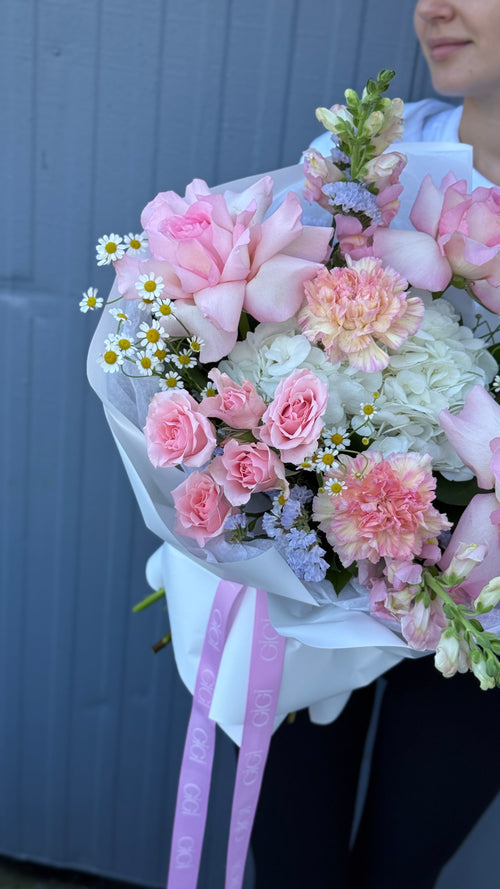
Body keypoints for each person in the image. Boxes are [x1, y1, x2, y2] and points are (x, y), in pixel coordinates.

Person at [251, 1, 500, 887]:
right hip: (323, 589)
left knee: (400, 871)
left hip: (482, 621)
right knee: (290, 864)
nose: (433, 7)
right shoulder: (376, 163)